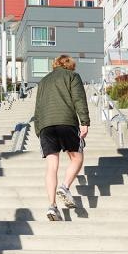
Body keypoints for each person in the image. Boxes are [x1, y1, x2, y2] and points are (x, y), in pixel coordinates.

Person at [33, 55, 90, 221]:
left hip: (46, 126)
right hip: (66, 122)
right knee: (77, 157)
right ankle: (64, 187)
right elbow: (79, 99)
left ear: (55, 65)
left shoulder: (43, 81)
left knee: (51, 166)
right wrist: (84, 122)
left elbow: (37, 107)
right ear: (70, 66)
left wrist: (39, 130)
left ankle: (52, 206)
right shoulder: (72, 76)